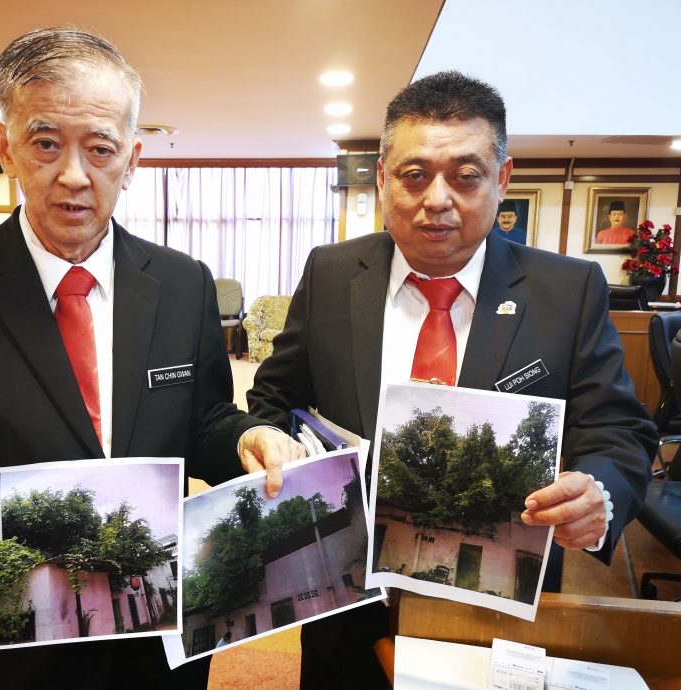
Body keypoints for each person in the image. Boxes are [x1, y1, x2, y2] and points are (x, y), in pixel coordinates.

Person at [0, 27, 302, 690]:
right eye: (45, 144)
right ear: (4, 147)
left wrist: (250, 436)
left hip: (157, 629)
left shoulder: (183, 283)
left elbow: (204, 419)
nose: (73, 175)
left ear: (132, 158)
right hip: (14, 644)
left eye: (100, 149)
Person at [247, 70, 656, 690]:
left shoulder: (566, 291)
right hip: (346, 594)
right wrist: (263, 437)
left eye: (465, 176)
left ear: (503, 179)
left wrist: (600, 492)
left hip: (498, 596)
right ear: (383, 179)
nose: (437, 199)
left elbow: (618, 428)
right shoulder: (331, 274)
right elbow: (274, 398)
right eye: (414, 175)